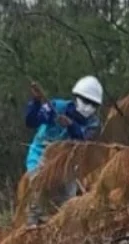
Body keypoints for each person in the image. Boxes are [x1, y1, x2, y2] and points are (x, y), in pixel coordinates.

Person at [23, 75, 104, 227]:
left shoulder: (93, 123)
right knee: (38, 192)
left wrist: (71, 126)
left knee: (66, 201)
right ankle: (32, 229)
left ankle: (61, 235)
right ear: (76, 97)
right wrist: (35, 102)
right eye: (85, 101)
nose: (88, 107)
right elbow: (31, 121)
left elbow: (83, 141)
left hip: (67, 164)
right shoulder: (57, 107)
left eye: (93, 104)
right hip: (41, 156)